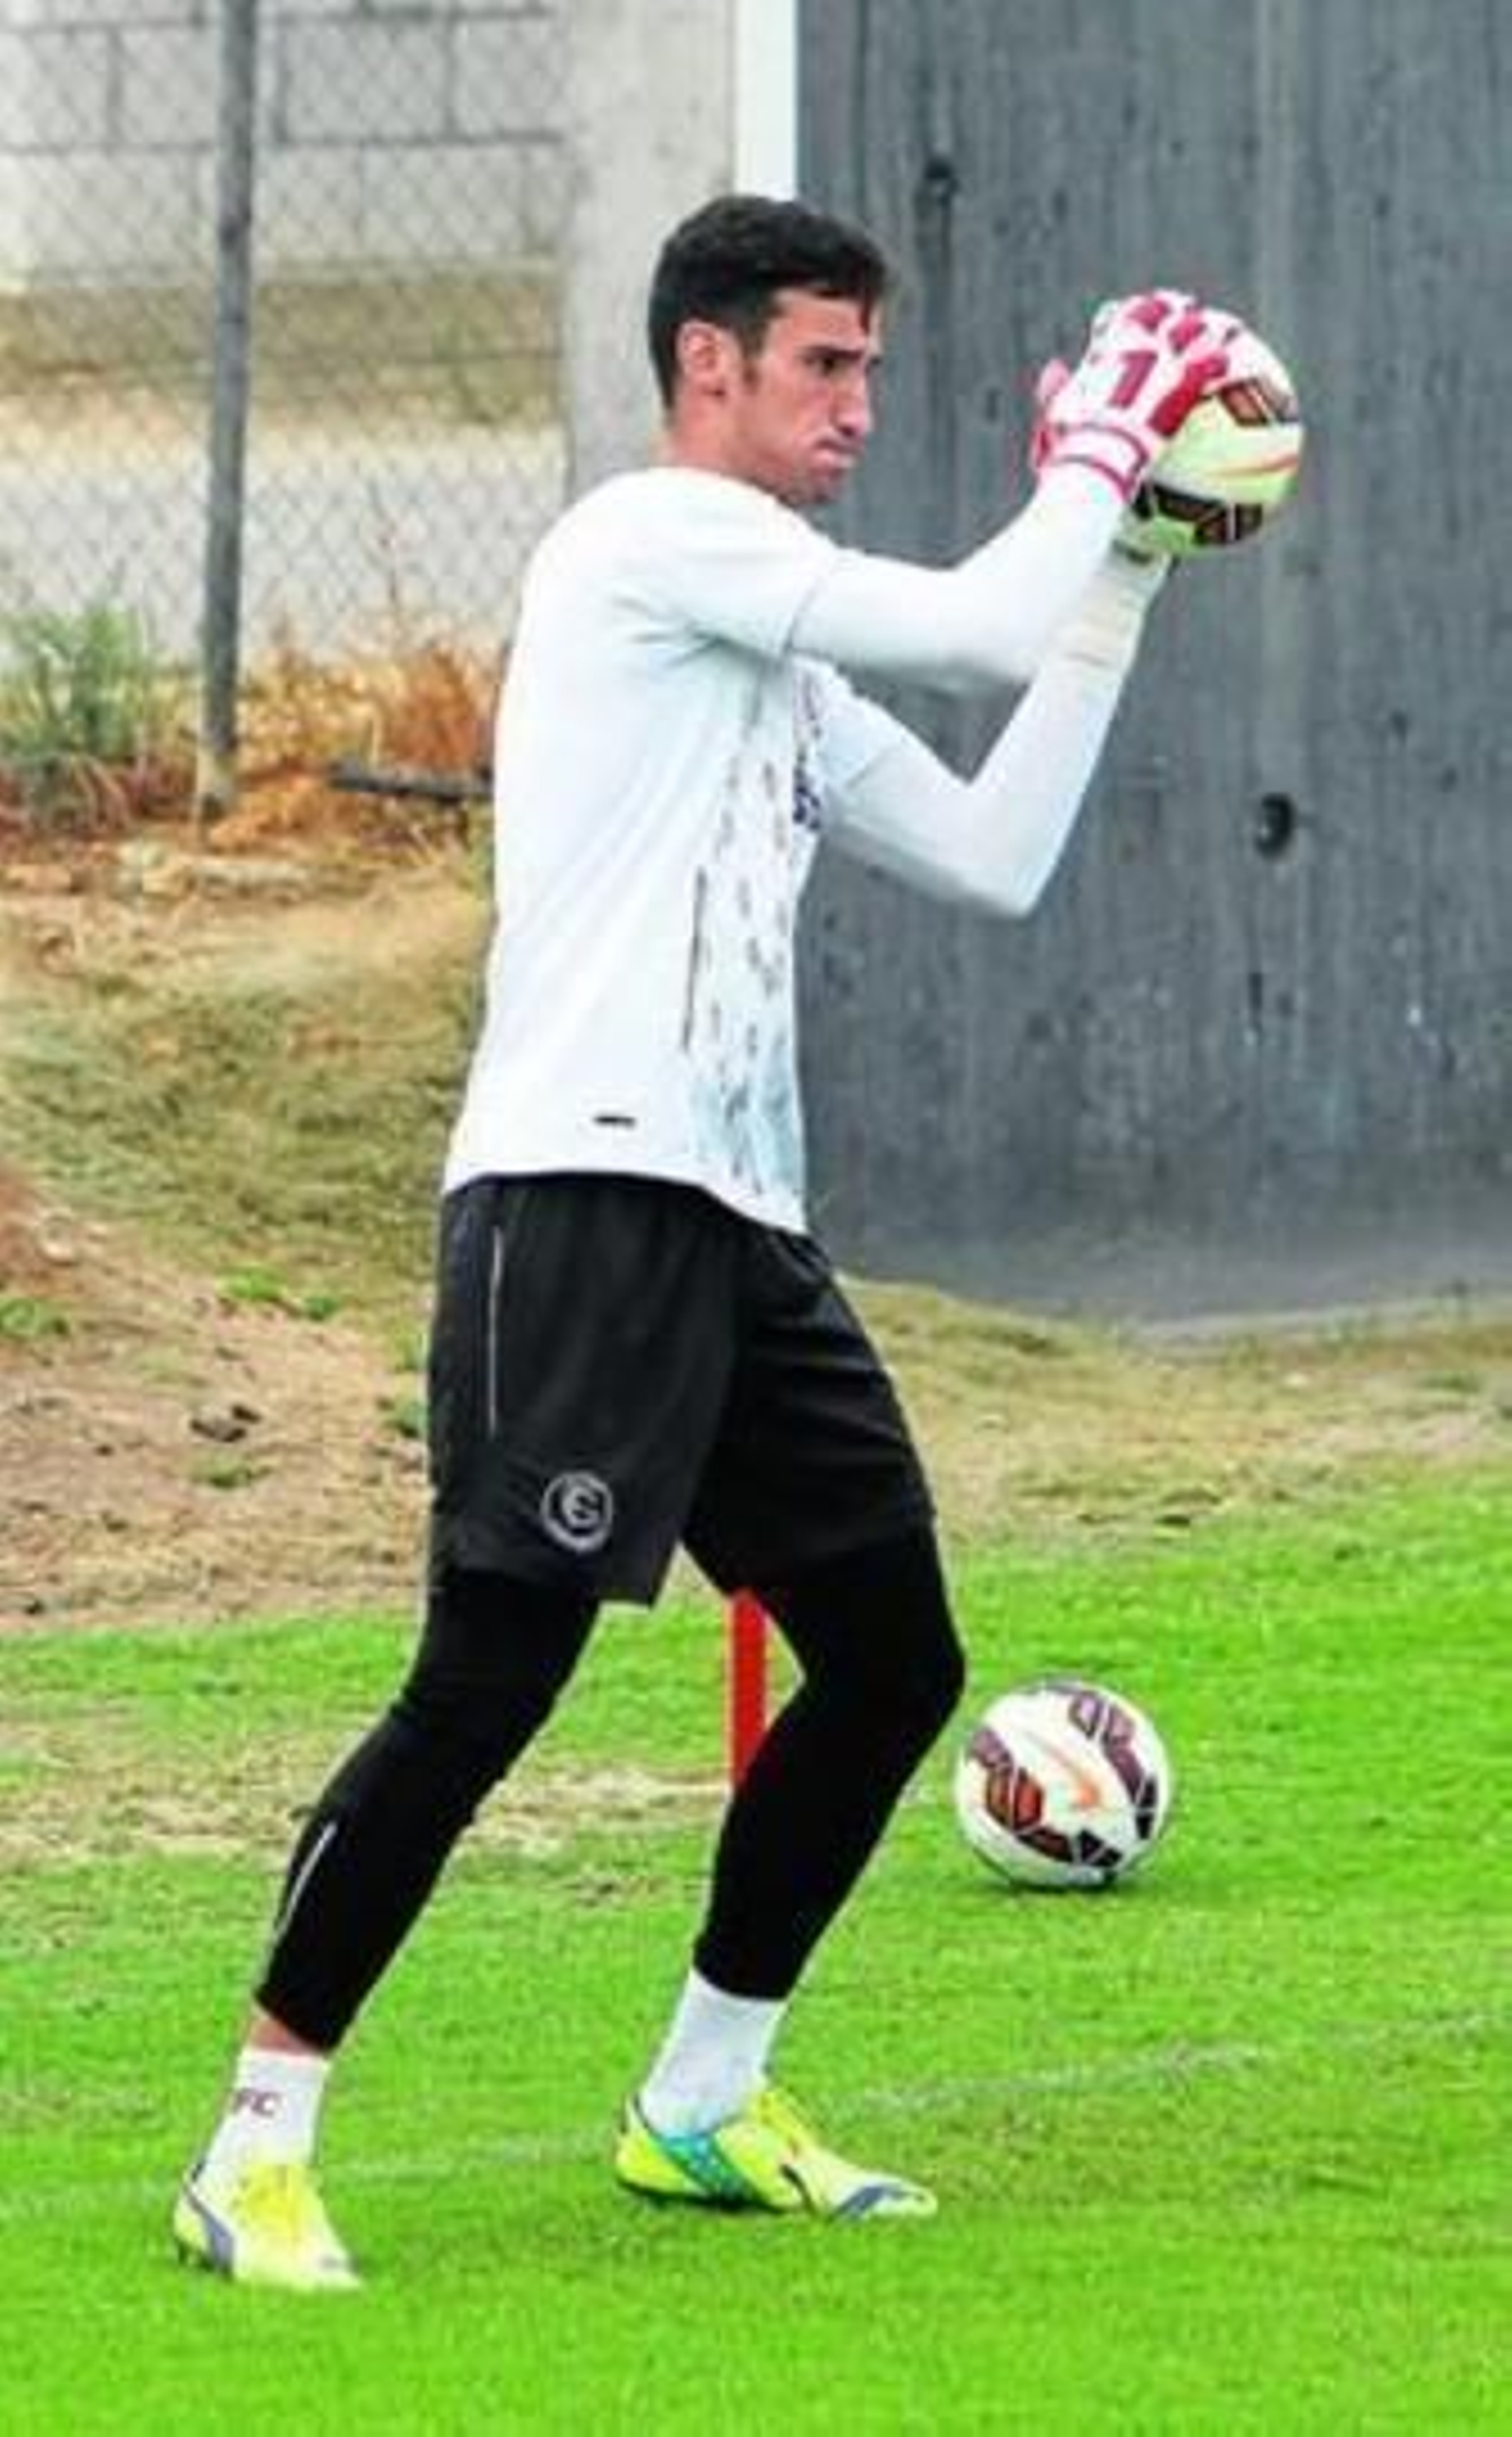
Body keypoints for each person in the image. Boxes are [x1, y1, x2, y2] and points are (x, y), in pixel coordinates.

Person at [174, 195, 1235, 2291]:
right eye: (820, 365)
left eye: (863, 365)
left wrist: (1118, 562)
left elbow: (994, 848)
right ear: (708, 371)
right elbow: (962, 624)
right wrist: (1104, 445)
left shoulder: (775, 643)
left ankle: (695, 2098)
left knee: (895, 1659)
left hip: (737, 1227)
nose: (855, 403)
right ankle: (256, 2145)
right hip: (575, 1193)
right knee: (493, 1679)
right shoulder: (647, 547)